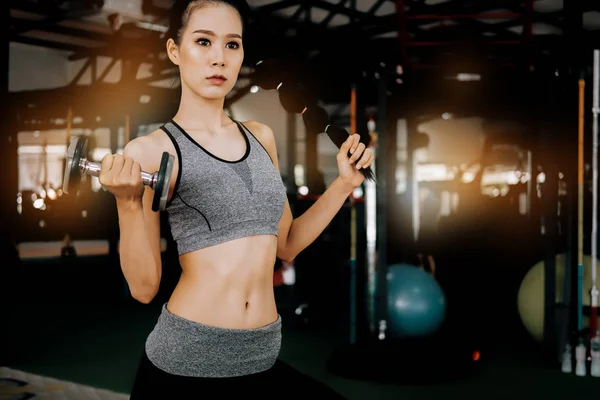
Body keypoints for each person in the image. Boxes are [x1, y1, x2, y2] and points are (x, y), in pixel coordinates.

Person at [97, 0, 374, 398]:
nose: (219, 59)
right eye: (203, 41)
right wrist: (126, 204)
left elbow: (287, 243)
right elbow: (143, 288)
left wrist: (344, 185)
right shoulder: (150, 150)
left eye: (232, 45)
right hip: (187, 364)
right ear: (175, 51)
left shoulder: (261, 136)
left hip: (260, 357)